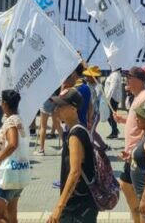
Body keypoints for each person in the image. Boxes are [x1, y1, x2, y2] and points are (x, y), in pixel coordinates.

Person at [47, 89, 98, 223]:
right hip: (80, 202)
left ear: (73, 108)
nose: (57, 109)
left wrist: (59, 207)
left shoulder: (75, 135)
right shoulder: (75, 130)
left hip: (78, 206)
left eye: (61, 106)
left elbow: (75, 172)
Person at [115, 68, 145, 223]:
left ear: (139, 80)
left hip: (138, 153)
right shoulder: (138, 96)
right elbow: (138, 121)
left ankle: (140, 215)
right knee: (126, 185)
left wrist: (137, 151)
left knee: (135, 191)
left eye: (129, 77)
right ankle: (137, 216)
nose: (126, 80)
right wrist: (123, 120)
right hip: (132, 152)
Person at [0, 90, 25, 223]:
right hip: (17, 172)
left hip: (7, 174)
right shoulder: (19, 120)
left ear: (4, 103)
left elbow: (13, 143)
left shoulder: (10, 122)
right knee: (11, 215)